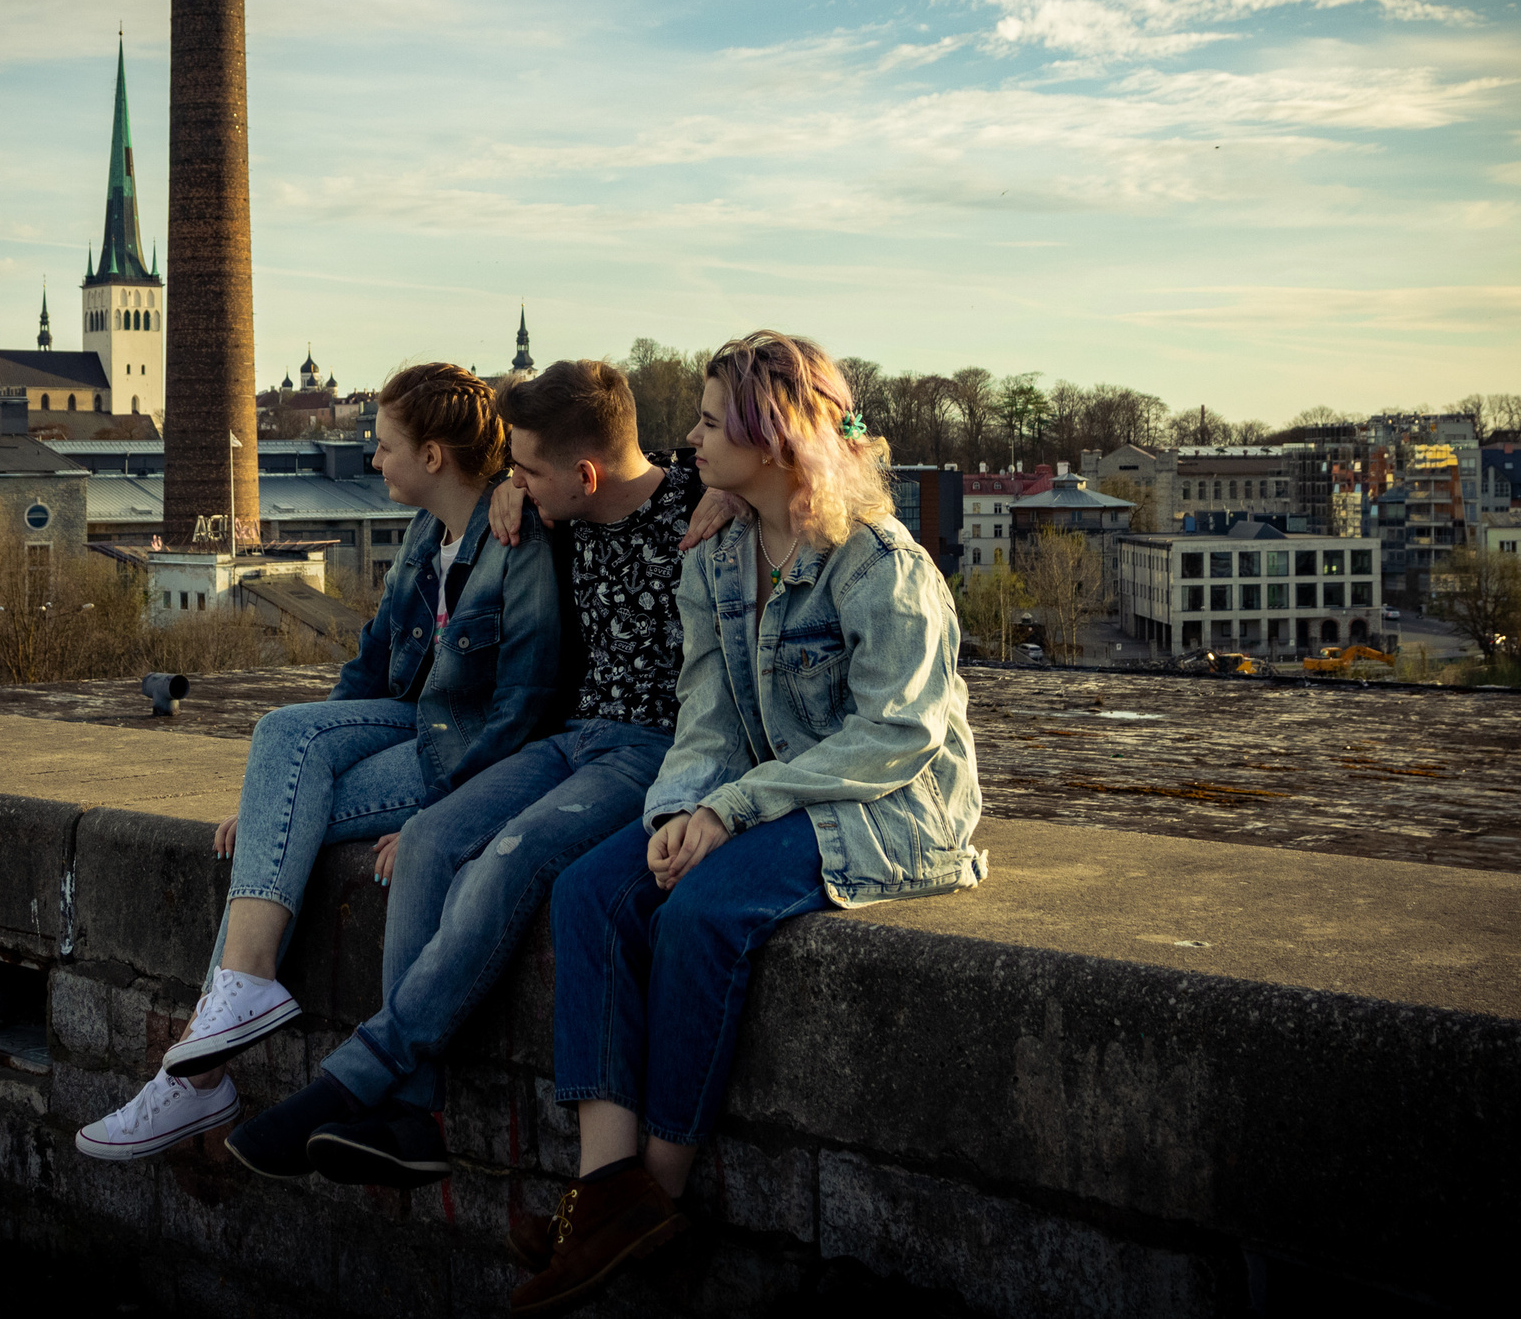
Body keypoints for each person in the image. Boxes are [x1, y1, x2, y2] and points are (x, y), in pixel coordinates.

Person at [509, 331, 984, 1315]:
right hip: (765, 800)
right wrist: (683, 807)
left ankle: (660, 1192)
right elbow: (708, 715)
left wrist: (730, 809)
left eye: (708, 423)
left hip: (888, 813)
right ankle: (606, 1192)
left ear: (771, 441)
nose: (687, 441)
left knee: (700, 916)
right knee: (596, 889)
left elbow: (896, 736)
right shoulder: (718, 555)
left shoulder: (879, 565)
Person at [212, 357, 735, 1186]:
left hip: (651, 750)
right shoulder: (551, 507)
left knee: (504, 863)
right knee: (425, 841)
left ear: (583, 473)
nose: (510, 478)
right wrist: (515, 490)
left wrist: (735, 494)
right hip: (569, 738)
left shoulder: (701, 513)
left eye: (523, 467)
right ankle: (412, 1117)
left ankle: (351, 1080)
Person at [73, 362, 562, 1165]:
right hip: (409, 722)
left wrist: (455, 813)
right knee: (282, 739)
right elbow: (369, 669)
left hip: (465, 756)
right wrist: (276, 797)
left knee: (283, 801)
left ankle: (199, 1075)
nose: (373, 461)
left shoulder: (518, 538)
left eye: (385, 446)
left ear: (434, 456)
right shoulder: (420, 536)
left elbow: (526, 701)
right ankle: (232, 1010)